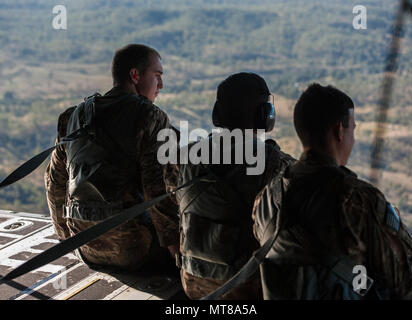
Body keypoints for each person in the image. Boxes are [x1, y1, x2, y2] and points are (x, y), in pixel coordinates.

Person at [252, 83, 412, 299]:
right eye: (353, 127)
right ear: (339, 132)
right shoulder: (358, 199)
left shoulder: (267, 198)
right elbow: (406, 282)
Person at [44, 44, 179, 271]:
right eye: (157, 76)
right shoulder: (150, 116)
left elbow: (55, 181)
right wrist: (176, 248)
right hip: (137, 249)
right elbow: (157, 189)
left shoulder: (73, 116)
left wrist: (65, 236)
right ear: (135, 75)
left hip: (85, 247)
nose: (161, 85)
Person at [165, 72, 295, 299]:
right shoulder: (278, 165)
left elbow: (167, 202)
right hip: (245, 287)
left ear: (217, 114)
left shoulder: (186, 155)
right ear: (265, 116)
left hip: (193, 281)